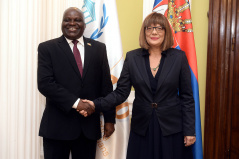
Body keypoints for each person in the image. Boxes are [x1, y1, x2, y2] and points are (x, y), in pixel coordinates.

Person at [81, 12, 196, 159]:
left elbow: (187, 97)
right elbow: (121, 93)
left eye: (159, 28)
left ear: (166, 32)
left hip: (171, 129)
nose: (154, 32)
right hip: (143, 128)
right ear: (144, 32)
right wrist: (95, 104)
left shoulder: (179, 58)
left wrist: (189, 131)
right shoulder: (132, 57)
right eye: (150, 28)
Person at [37, 7, 115, 159]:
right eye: (67, 20)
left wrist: (109, 119)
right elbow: (45, 84)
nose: (72, 23)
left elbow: (106, 86)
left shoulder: (99, 49)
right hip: (57, 129)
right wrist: (76, 103)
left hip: (88, 129)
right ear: (62, 23)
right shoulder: (47, 48)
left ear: (84, 25)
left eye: (77, 20)